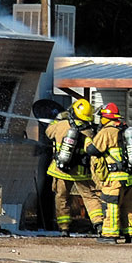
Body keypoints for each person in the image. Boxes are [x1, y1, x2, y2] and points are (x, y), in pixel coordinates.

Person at [44, 97, 103, 236]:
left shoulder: (61, 125)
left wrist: (58, 119)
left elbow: (48, 133)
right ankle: (99, 223)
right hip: (81, 171)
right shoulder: (88, 131)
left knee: (61, 198)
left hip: (61, 169)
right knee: (89, 197)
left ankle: (64, 228)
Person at [89, 102, 132, 243]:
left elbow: (93, 150)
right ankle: (131, 235)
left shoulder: (107, 132)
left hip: (115, 179)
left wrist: (88, 140)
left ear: (106, 117)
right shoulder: (126, 129)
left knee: (110, 206)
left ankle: (110, 235)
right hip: (131, 178)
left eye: (101, 117)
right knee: (128, 206)